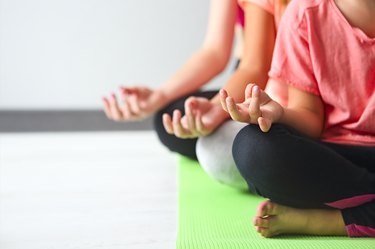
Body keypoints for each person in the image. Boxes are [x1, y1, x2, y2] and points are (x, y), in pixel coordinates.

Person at [221, 0, 375, 237]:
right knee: (252, 147)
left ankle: (331, 221)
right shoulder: (304, 13)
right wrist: (280, 114)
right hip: (334, 159)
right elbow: (311, 118)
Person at [158, 0, 290, 190]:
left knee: (243, 150)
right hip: (262, 83)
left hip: (284, 86)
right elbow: (220, 52)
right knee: (172, 119)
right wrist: (160, 95)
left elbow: (256, 67)